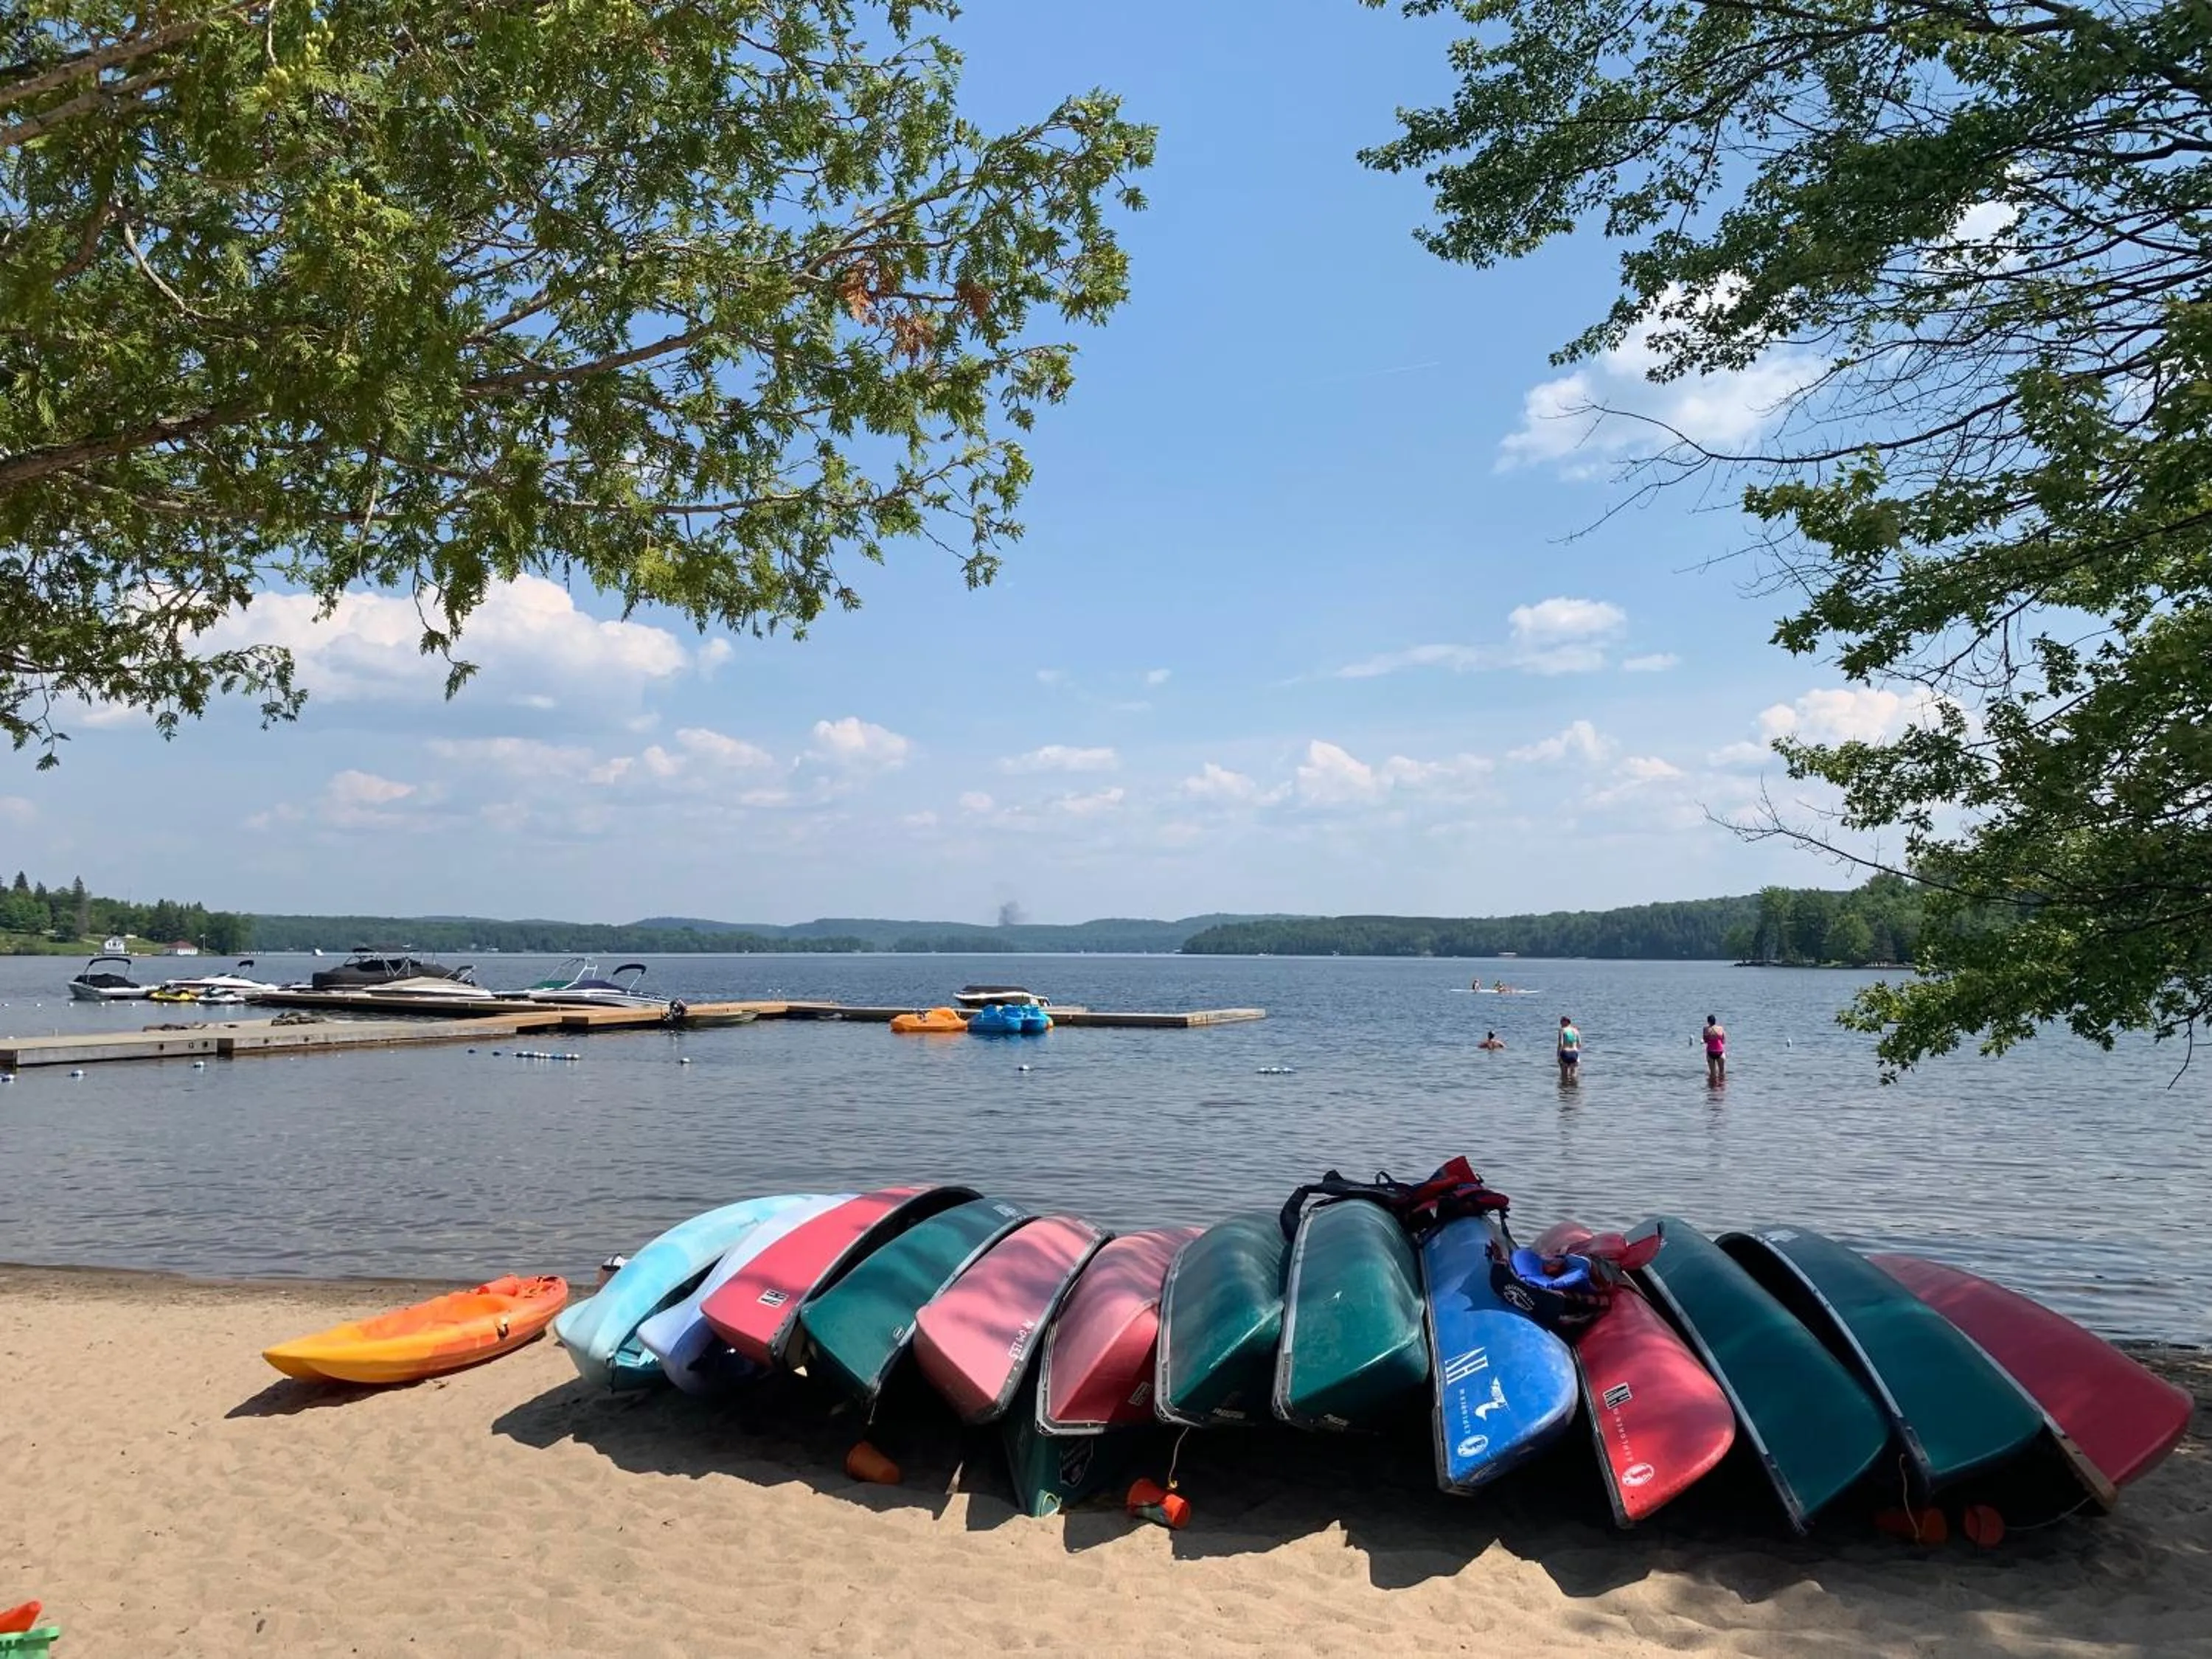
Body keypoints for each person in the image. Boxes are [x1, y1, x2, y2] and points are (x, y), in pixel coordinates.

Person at [1703, 1014, 1727, 1084]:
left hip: (1710, 1052)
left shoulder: (1706, 1029)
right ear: (1715, 1021)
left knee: (1712, 1074)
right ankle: (1722, 1088)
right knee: (1722, 1073)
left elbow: (1705, 1040)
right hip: (1720, 1052)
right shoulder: (1721, 1028)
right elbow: (1723, 1041)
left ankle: (1712, 1089)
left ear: (1708, 1022)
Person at [1556, 1015, 1582, 1079]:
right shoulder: (1576, 1030)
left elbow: (1561, 1044)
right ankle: (1573, 1084)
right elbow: (1579, 1044)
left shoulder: (1562, 1030)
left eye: (1561, 1022)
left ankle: (1565, 1084)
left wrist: (1558, 1055)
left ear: (1566, 1022)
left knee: (1564, 1075)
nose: (1560, 1024)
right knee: (1574, 1075)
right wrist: (1576, 1053)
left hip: (1565, 1053)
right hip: (1574, 1053)